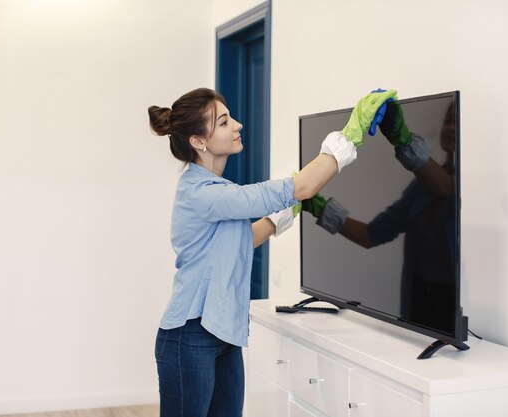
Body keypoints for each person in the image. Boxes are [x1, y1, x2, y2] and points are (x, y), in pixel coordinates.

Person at [147, 87, 396, 417]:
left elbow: (239, 241)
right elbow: (302, 185)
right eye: (223, 122)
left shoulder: (218, 191)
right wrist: (351, 133)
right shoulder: (200, 192)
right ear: (198, 141)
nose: (237, 125)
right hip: (189, 337)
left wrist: (286, 213)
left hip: (223, 333)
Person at [302, 101, 457, 333]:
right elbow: (371, 234)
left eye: (456, 121)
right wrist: (317, 206)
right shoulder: (419, 189)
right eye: (447, 120)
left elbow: (445, 189)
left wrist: (403, 140)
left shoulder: (464, 187)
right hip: (416, 303)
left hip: (449, 307)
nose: (450, 127)